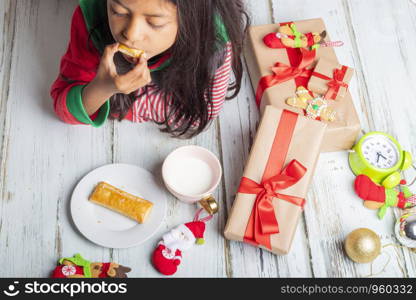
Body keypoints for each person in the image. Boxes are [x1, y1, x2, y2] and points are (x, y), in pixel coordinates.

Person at [51, 0, 249, 138]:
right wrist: (103, 88)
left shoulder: (214, 35)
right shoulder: (91, 17)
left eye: (155, 23)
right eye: (118, 11)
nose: (130, 34)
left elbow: (201, 112)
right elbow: (64, 107)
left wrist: (124, 105)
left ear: (191, 19)